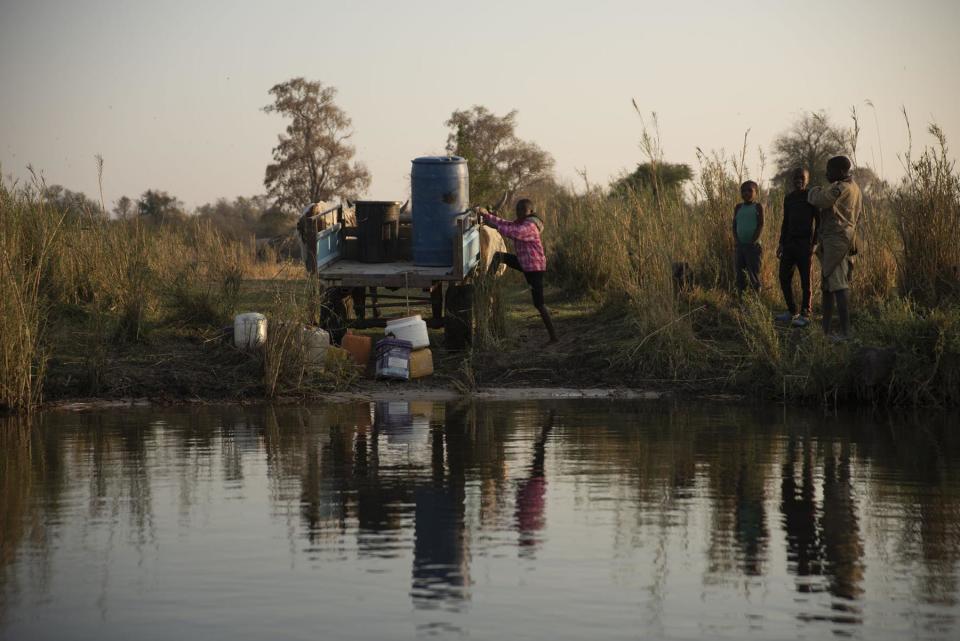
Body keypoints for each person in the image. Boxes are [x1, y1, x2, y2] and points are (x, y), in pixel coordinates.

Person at [478, 199, 558, 344]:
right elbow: (506, 223)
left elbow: (514, 232)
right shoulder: (522, 222)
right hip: (524, 263)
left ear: (531, 212)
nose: (519, 213)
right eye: (518, 210)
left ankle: (553, 337)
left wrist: (494, 226)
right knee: (499, 256)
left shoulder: (530, 226)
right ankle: (487, 284)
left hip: (534, 268)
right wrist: (487, 216)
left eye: (522, 210)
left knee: (539, 304)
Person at [808, 156, 861, 339]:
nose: (827, 174)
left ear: (839, 172)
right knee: (828, 286)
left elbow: (821, 200)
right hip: (841, 239)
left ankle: (846, 332)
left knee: (839, 286)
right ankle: (825, 331)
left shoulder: (841, 188)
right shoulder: (855, 188)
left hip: (837, 240)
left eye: (829, 170)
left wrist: (814, 190)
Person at [776, 168, 819, 327]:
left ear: (807, 179)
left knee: (805, 280)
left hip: (804, 244)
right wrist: (781, 243)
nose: (798, 180)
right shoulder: (789, 198)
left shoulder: (811, 197)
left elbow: (818, 222)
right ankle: (792, 310)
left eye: (802, 177)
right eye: (796, 178)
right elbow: (785, 222)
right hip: (789, 244)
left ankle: (806, 313)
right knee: (783, 276)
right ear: (791, 180)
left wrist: (814, 243)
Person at [733, 180, 765, 294]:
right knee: (740, 275)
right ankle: (741, 301)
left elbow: (761, 224)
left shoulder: (758, 206)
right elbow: (734, 225)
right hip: (740, 247)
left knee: (753, 274)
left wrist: (753, 241)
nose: (746, 193)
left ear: (756, 192)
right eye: (743, 191)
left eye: (749, 191)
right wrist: (737, 241)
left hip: (753, 247)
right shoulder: (738, 207)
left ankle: (756, 301)